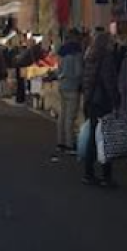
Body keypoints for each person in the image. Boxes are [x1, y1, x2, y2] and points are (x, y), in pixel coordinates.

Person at [81, 31, 119, 187]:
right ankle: (106, 175)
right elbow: (108, 81)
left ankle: (88, 173)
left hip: (91, 100)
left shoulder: (90, 56)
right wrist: (116, 100)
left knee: (92, 138)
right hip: (102, 101)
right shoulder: (106, 57)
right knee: (105, 139)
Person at [54, 33, 84, 162]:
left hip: (62, 85)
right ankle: (70, 144)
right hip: (72, 86)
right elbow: (78, 72)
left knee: (62, 114)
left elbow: (58, 70)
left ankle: (60, 142)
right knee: (70, 117)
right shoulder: (76, 53)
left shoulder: (61, 52)